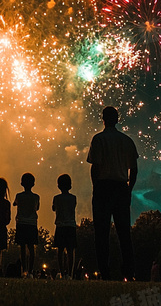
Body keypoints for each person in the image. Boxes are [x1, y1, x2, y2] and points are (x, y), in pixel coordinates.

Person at [86, 106, 139, 280]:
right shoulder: (126, 141)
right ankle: (129, 271)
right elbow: (134, 169)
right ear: (117, 119)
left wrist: (96, 188)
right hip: (121, 187)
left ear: (103, 119)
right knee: (124, 232)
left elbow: (95, 167)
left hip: (103, 187)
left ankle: (105, 271)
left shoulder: (98, 139)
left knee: (101, 232)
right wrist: (129, 189)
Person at [14, 172, 40, 277]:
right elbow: (37, 208)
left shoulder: (19, 196)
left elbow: (15, 203)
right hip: (32, 224)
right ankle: (30, 271)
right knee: (31, 247)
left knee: (23, 248)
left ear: (22, 183)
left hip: (21, 223)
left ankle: (23, 269)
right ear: (33, 184)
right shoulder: (36, 197)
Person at [52, 174, 77, 279]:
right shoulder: (73, 198)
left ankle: (62, 272)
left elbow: (54, 208)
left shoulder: (56, 198)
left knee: (60, 250)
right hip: (71, 225)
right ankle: (70, 273)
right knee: (71, 251)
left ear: (58, 186)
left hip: (60, 226)